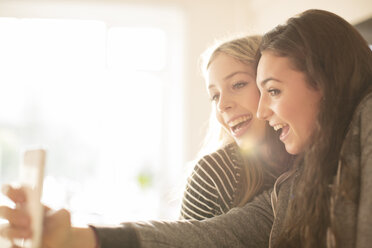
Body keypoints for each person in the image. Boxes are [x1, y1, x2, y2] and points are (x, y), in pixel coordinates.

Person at [1, 9, 371, 248]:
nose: (260, 107)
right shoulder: (301, 179)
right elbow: (214, 236)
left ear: (326, 81)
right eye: (214, 95)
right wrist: (80, 237)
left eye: (271, 90)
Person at [180, 35, 290, 220]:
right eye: (215, 96)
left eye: (238, 84)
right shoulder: (212, 174)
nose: (222, 105)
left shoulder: (306, 161)